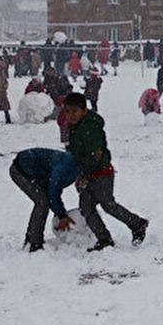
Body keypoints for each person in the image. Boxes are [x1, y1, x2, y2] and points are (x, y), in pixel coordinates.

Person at [63, 93, 148, 251]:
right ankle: (104, 239)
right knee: (86, 208)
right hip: (87, 173)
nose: (70, 115)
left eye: (74, 111)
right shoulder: (74, 127)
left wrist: (86, 175)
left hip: (101, 172)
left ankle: (137, 224)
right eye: (67, 111)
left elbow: (96, 154)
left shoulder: (90, 126)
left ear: (83, 110)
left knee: (108, 204)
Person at [9, 148, 80, 252]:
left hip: (33, 170)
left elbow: (52, 189)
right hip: (20, 170)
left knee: (43, 201)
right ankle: (34, 244)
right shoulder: (65, 169)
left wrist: (59, 212)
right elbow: (53, 192)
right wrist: (62, 216)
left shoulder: (73, 167)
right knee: (42, 203)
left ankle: (31, 237)